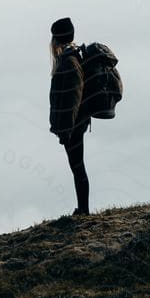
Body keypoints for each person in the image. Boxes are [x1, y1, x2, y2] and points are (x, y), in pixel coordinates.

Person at [47, 16, 90, 216]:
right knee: (77, 167)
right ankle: (82, 208)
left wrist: (67, 129)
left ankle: (83, 209)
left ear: (57, 39)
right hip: (74, 124)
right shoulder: (70, 58)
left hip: (73, 126)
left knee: (77, 167)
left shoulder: (68, 61)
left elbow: (72, 97)